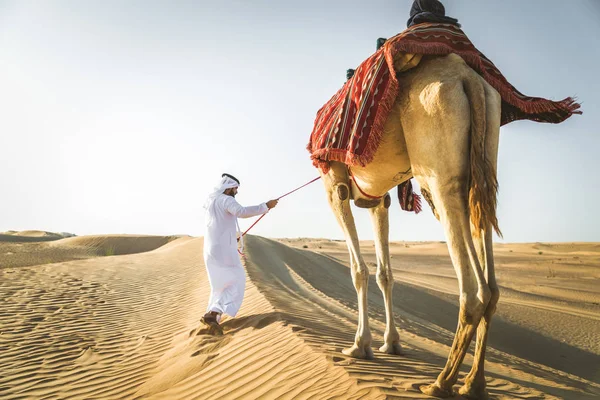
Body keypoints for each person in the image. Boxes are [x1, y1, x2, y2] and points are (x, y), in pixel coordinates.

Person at [201, 173, 278, 330]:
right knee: (237, 279)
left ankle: (213, 314)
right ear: (229, 188)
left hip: (210, 249)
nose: (236, 192)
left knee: (219, 284)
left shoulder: (212, 200)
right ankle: (215, 311)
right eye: (235, 189)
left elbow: (219, 223)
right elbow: (241, 212)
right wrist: (265, 206)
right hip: (223, 250)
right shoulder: (226, 200)